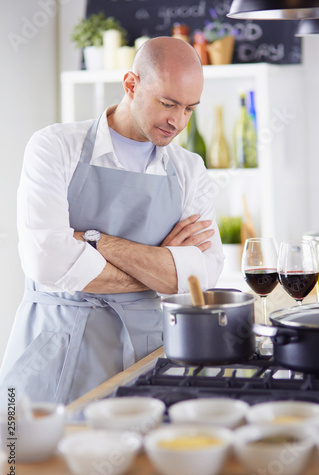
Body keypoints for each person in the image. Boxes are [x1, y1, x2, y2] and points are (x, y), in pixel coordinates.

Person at [0, 37, 224, 405]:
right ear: (131, 84)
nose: (177, 121)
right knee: (23, 461)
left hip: (145, 352)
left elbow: (198, 278)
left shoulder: (190, 170)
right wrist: (159, 267)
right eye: (168, 103)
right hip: (54, 349)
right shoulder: (55, 147)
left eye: (189, 109)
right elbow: (47, 261)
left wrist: (92, 240)